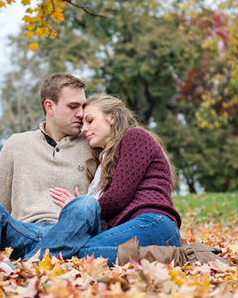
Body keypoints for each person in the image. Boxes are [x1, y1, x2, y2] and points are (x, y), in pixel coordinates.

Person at [0, 73, 100, 271]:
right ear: (50, 107)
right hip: (21, 233)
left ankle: (26, 265)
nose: (81, 113)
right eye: (73, 106)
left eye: (83, 106)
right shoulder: (16, 144)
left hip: (68, 232)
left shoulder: (93, 144)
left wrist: (78, 206)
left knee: (87, 204)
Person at [49, 94, 182, 266]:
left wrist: (81, 210)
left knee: (76, 252)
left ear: (111, 118)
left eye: (90, 120)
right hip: (143, 227)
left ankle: (162, 258)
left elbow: (118, 197)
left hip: (154, 223)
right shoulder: (107, 158)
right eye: (83, 123)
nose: (83, 129)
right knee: (77, 251)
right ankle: (152, 259)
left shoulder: (135, 137)